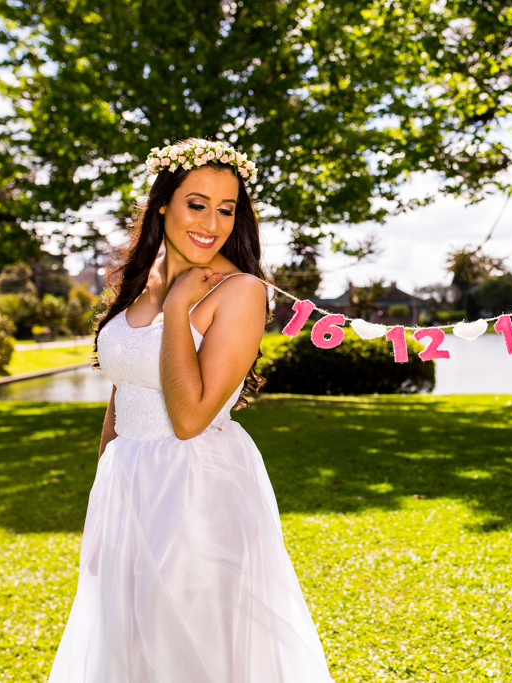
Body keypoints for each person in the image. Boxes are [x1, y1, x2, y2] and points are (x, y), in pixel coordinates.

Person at [48, 139, 334, 682]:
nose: (212, 222)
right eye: (196, 203)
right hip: (127, 487)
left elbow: (189, 418)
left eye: (227, 209)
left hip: (195, 490)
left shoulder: (241, 291)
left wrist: (178, 308)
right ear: (162, 203)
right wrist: (107, 478)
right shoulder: (140, 275)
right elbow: (123, 386)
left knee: (192, 644)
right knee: (127, 642)